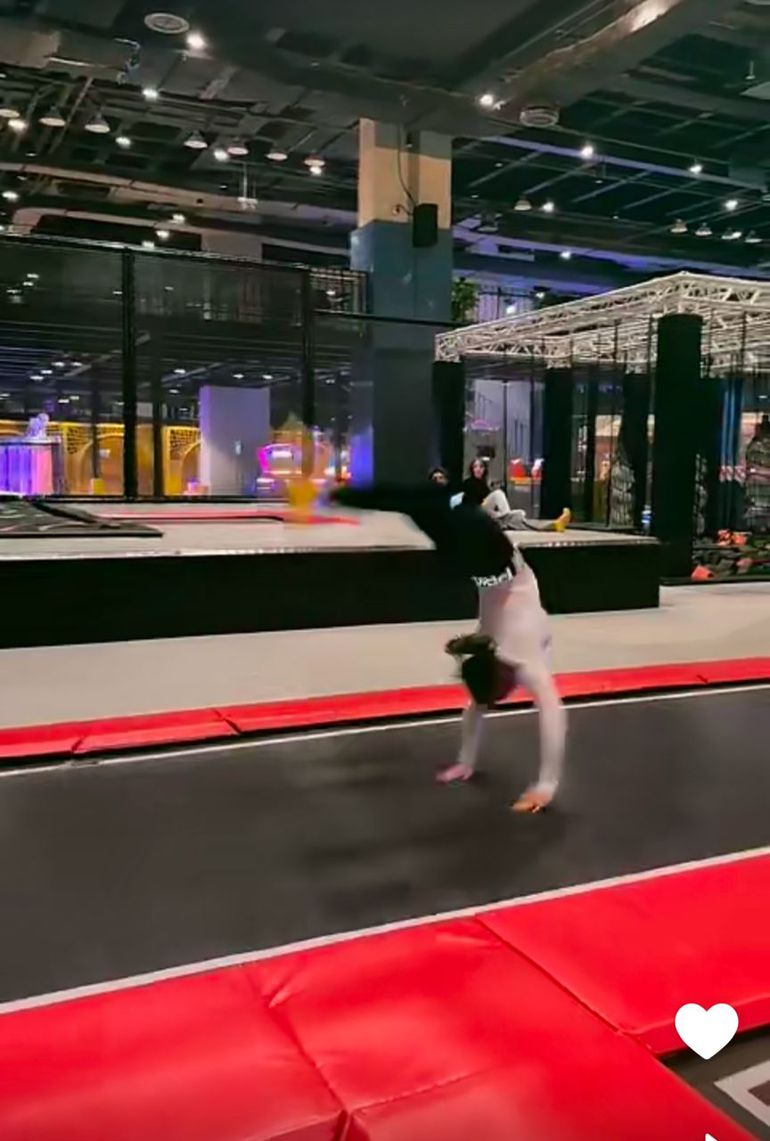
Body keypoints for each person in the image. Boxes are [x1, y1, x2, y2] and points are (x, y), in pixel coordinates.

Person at [332, 481, 566, 813]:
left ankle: (435, 498)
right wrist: (546, 786)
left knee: (425, 511)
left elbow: (475, 708)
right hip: (494, 559)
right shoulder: (524, 663)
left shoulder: (493, 652)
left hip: (484, 567)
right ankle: (445, 499)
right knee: (429, 511)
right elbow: (552, 714)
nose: (497, 702)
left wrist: (465, 762)